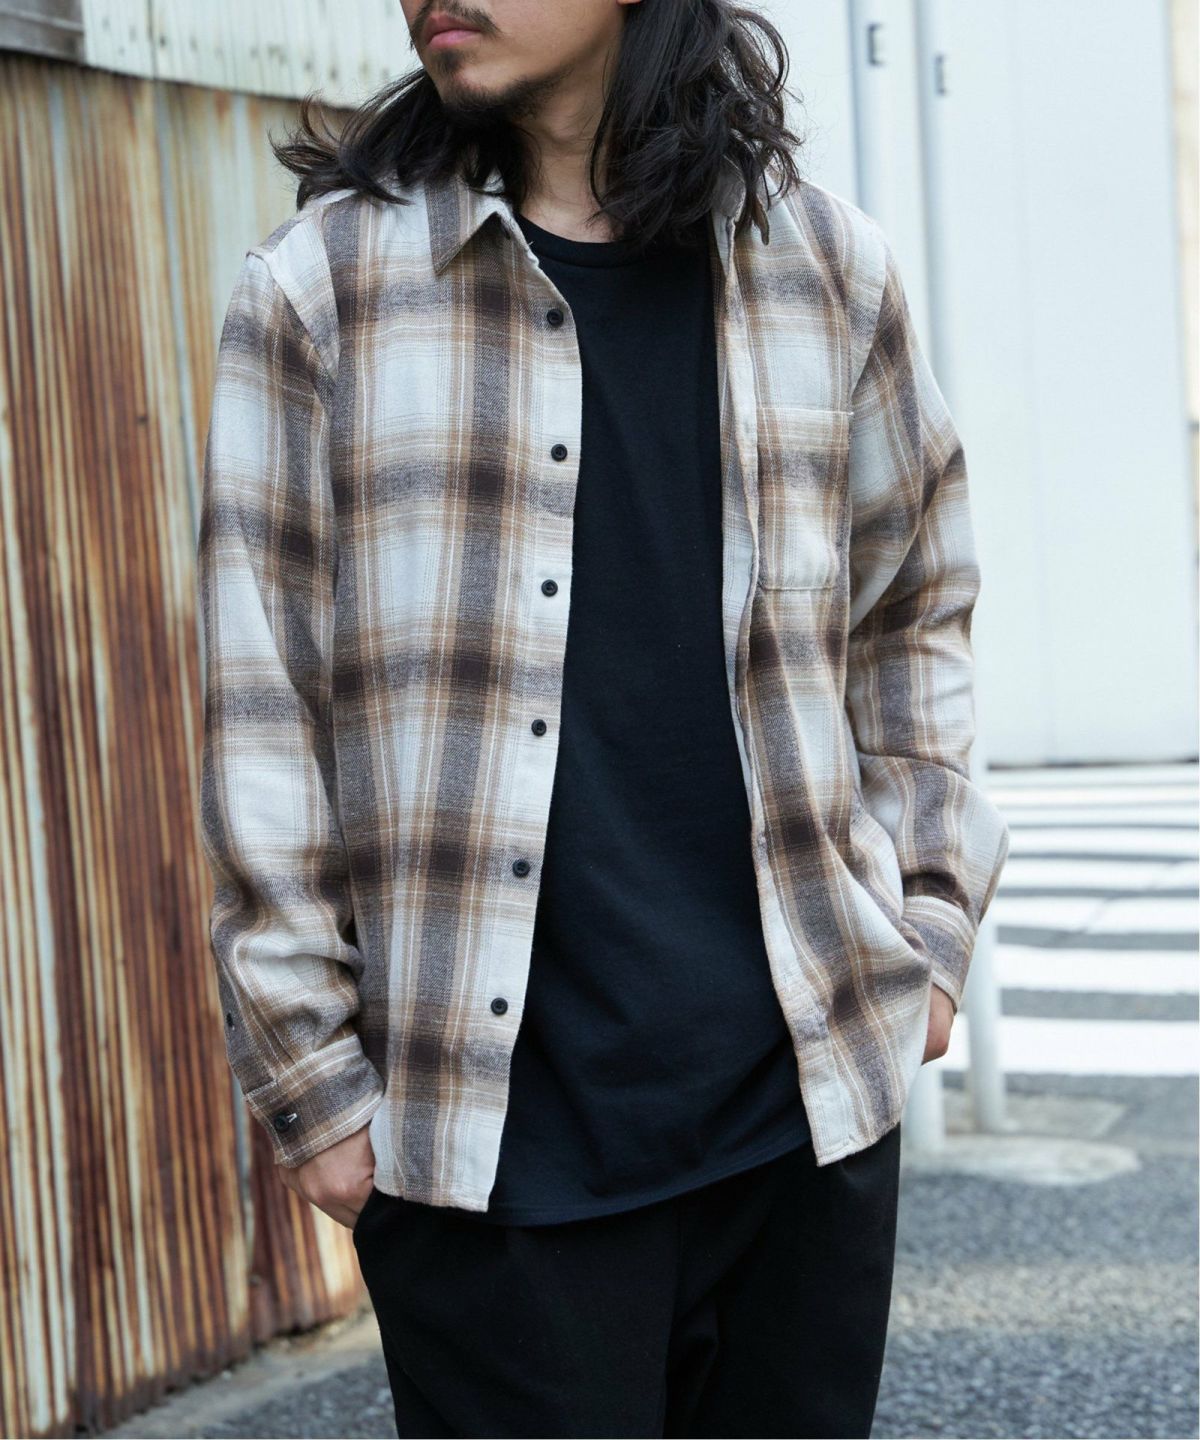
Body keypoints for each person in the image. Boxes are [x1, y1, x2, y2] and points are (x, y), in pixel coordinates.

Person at [197, 1, 1011, 1434]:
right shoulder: (323, 293)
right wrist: (313, 1080)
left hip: (803, 1122)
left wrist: (932, 927)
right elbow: (263, 700)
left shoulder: (826, 270)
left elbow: (914, 608)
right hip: (496, 1163)